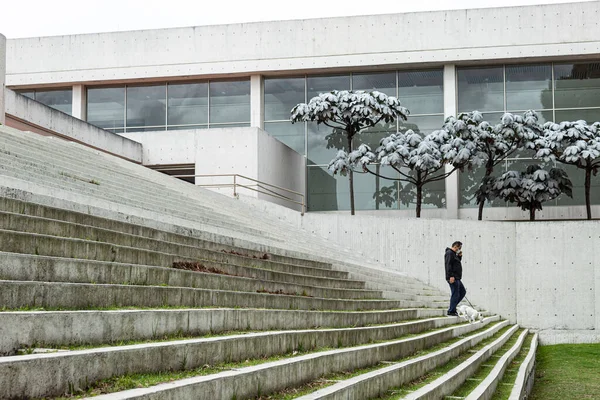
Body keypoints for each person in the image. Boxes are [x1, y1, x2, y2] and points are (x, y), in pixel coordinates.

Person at [445, 241, 466, 316]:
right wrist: (450, 276)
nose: (459, 249)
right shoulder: (449, 253)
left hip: (457, 278)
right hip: (453, 277)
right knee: (455, 294)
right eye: (459, 248)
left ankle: (452, 307)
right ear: (455, 246)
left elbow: (456, 264)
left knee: (462, 292)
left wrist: (459, 256)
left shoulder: (454, 254)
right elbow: (448, 265)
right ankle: (451, 311)